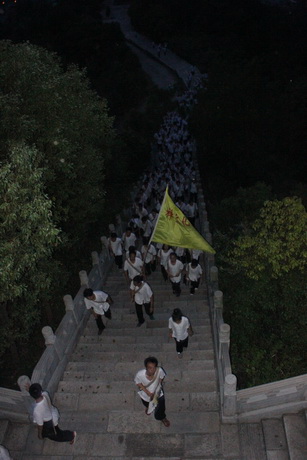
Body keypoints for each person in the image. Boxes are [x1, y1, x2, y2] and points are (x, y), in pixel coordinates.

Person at [134, 356, 170, 427]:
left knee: (161, 407)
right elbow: (138, 383)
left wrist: (158, 386)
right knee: (146, 403)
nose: (152, 370)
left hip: (158, 393)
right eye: (150, 368)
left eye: (154, 367)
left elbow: (161, 377)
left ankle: (161, 417)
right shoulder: (140, 374)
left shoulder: (159, 370)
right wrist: (147, 392)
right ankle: (149, 408)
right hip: (146, 395)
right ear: (146, 367)